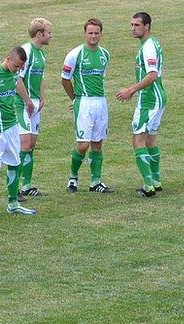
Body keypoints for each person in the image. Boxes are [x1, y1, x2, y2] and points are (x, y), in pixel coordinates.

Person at [0, 47, 37, 222]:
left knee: (14, 164)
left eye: (22, 67)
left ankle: (13, 203)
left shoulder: (14, 73)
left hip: (11, 126)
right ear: (8, 59)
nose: (19, 70)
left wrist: (27, 100)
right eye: (17, 66)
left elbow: (17, 82)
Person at [116, 12, 167, 197]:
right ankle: (156, 180)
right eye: (132, 25)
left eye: (137, 25)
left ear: (147, 26)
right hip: (158, 97)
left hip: (149, 99)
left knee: (138, 140)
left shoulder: (148, 47)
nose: (133, 28)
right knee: (150, 140)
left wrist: (131, 90)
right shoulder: (151, 44)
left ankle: (148, 186)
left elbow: (152, 75)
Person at [61, 18, 113, 194]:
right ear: (84, 33)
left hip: (100, 102)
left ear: (101, 34)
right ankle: (73, 177)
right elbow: (65, 79)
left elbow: (101, 78)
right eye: (90, 33)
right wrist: (75, 98)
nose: (93, 36)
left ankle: (95, 181)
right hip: (84, 103)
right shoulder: (75, 54)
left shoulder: (105, 54)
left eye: (96, 33)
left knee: (97, 143)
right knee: (83, 145)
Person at [16, 18, 52, 197]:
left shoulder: (41, 53)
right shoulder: (26, 52)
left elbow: (42, 78)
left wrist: (42, 99)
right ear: (40, 34)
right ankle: (14, 187)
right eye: (48, 32)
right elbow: (17, 79)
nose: (50, 36)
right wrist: (28, 101)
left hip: (35, 103)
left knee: (32, 145)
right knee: (24, 144)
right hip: (22, 104)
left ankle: (27, 185)